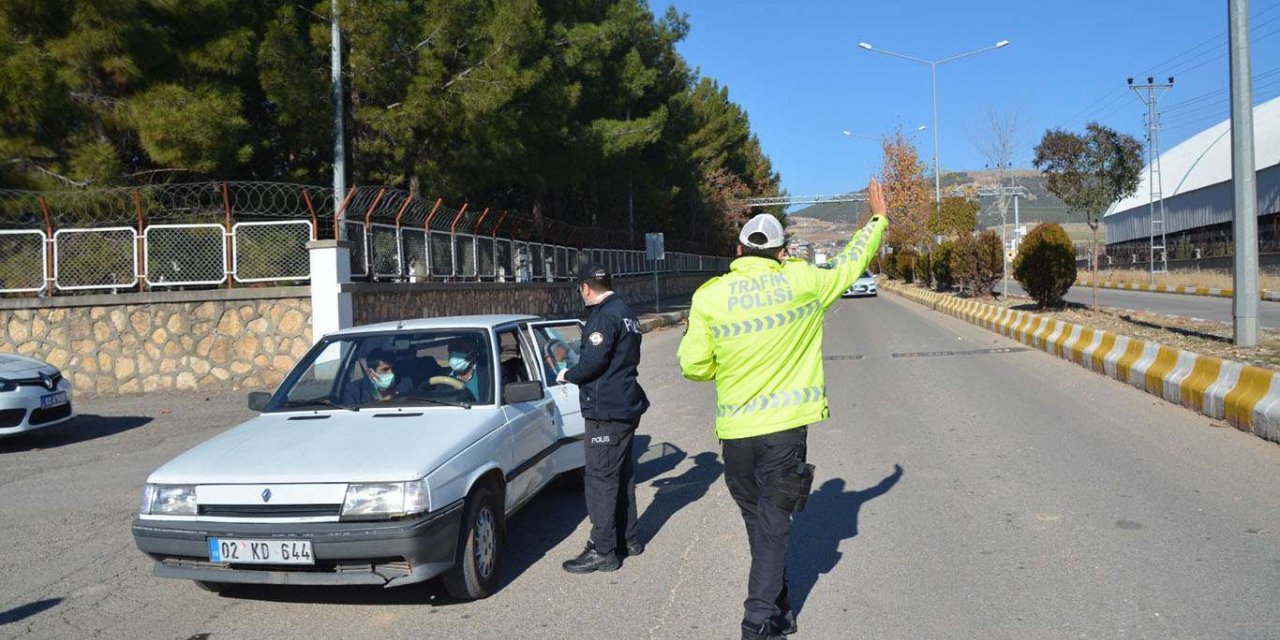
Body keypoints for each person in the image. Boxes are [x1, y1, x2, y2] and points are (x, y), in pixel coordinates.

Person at [677, 178, 888, 640]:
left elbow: (692, 366)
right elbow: (851, 263)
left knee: (761, 524)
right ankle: (756, 622)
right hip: (784, 435)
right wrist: (877, 219)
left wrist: (725, 365)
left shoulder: (710, 295)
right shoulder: (803, 282)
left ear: (737, 250)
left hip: (735, 437)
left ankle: (781, 610)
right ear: (780, 252)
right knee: (772, 526)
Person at [557, 263, 650, 573]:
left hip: (606, 410)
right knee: (621, 475)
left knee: (600, 480)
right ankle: (628, 539)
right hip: (624, 405)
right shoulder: (624, 310)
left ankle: (603, 550)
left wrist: (567, 374)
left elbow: (592, 364)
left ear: (586, 287)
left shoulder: (603, 316)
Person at [446, 336, 484, 402]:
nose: (453, 354)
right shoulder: (444, 378)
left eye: (459, 349)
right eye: (451, 350)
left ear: (473, 352)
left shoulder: (487, 374)